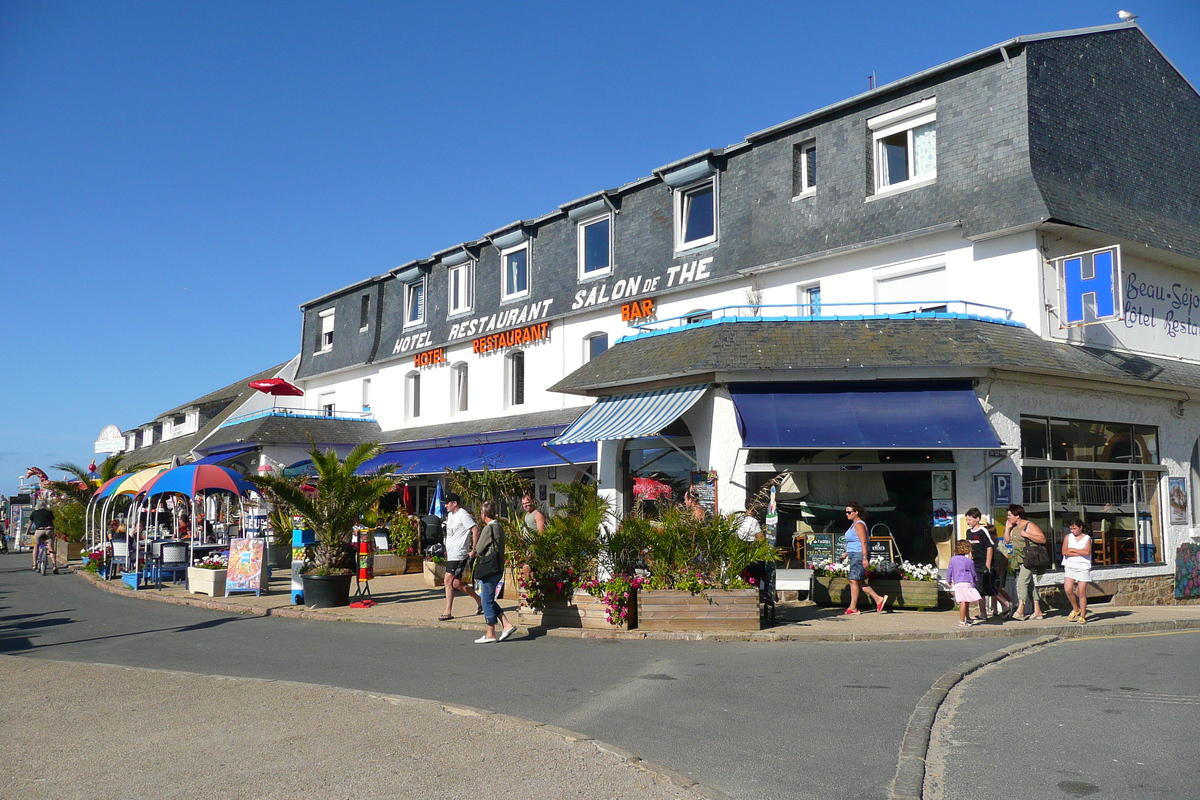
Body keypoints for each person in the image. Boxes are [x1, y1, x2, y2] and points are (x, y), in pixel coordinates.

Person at [470, 501, 517, 644]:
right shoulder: (499, 527)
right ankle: (506, 624)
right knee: (487, 598)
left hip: (489, 568)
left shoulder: (489, 529)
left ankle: (490, 633)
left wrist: (472, 553)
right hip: (497, 566)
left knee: (486, 600)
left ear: (484, 515)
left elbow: (478, 549)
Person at [438, 492, 482, 621]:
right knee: (456, 583)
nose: (445, 505)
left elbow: (475, 530)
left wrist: (474, 549)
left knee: (447, 580)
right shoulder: (451, 515)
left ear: (454, 503)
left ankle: (448, 611)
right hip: (451, 554)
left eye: (447, 503)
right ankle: (480, 601)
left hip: (459, 554)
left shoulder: (463, 515)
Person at [964, 508, 1012, 621]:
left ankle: (1005, 604)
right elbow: (970, 548)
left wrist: (988, 564)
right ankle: (983, 613)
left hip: (984, 563)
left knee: (989, 587)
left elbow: (989, 547)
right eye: (967, 520)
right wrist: (969, 562)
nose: (968, 522)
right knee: (978, 589)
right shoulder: (969, 532)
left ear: (977, 519)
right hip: (975, 563)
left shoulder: (983, 531)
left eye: (970, 519)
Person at [1004, 504, 1047, 620]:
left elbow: (1042, 539)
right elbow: (1007, 541)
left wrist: (1027, 535)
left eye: (1010, 515)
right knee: (1029, 585)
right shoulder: (1013, 527)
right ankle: (1037, 610)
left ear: (1017, 516)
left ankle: (1021, 609)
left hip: (1030, 559)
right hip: (1018, 560)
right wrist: (1007, 529)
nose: (1008, 517)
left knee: (1021, 582)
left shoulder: (1029, 525)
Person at [843, 502, 887, 614]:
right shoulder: (853, 524)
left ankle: (853, 607)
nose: (847, 514)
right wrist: (846, 553)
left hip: (859, 554)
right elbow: (853, 541)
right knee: (858, 581)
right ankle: (878, 599)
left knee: (853, 580)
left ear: (856, 512)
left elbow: (863, 541)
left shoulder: (859, 524)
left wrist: (864, 557)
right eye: (846, 512)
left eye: (849, 512)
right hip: (853, 553)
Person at [1062, 517, 1093, 624]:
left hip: (1083, 566)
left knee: (1081, 592)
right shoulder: (1068, 537)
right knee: (1068, 589)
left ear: (1081, 527)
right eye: (1071, 529)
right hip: (1070, 565)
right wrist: (1080, 551)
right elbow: (1065, 552)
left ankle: (1083, 615)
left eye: (1075, 528)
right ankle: (1076, 608)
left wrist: (1073, 549)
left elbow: (1087, 552)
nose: (1073, 531)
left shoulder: (1087, 538)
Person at [948, 539, 983, 627]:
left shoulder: (953, 559)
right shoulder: (969, 561)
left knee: (965, 601)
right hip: (967, 582)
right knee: (964, 601)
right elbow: (973, 572)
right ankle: (962, 621)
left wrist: (949, 580)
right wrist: (976, 580)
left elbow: (950, 570)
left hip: (958, 583)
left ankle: (968, 618)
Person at [28, 499, 57, 573]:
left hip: (39, 530)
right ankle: (54, 566)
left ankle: (34, 564)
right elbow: (52, 521)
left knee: (36, 546)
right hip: (49, 530)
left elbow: (30, 524)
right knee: (50, 547)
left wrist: (27, 531)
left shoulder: (34, 513)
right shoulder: (49, 512)